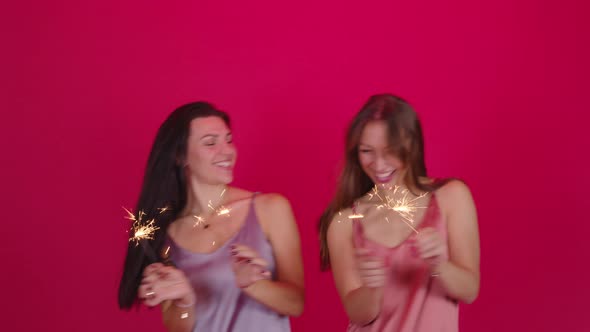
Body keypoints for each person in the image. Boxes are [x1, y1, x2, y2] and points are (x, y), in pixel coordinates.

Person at [118, 101, 304, 332]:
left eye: (228, 139)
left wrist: (255, 285)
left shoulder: (270, 208)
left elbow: (295, 304)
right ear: (180, 155)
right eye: (210, 143)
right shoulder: (167, 235)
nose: (226, 151)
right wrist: (184, 300)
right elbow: (178, 327)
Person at [318, 94, 480, 331]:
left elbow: (469, 290)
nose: (379, 163)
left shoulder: (451, 197)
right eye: (367, 151)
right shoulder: (343, 221)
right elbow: (357, 313)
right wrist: (372, 288)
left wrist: (440, 266)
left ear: (411, 145)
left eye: (390, 150)